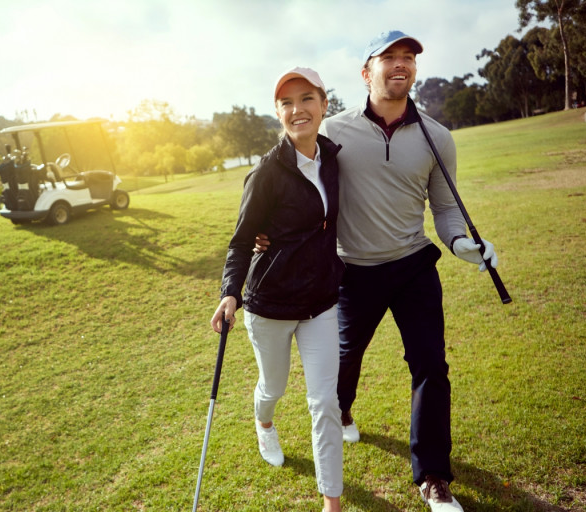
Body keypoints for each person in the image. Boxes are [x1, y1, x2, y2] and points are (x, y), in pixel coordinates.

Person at [255, 31, 500, 511]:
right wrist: (265, 230)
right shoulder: (335, 133)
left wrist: (462, 244)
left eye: (407, 57)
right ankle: (342, 410)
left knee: (431, 365)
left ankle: (433, 477)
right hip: (350, 271)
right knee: (345, 357)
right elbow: (291, 178)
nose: (400, 64)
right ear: (367, 73)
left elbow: (446, 209)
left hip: (413, 265)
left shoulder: (437, 137)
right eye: (388, 57)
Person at [210, 66, 345, 512]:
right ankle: (263, 422)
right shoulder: (265, 173)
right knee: (274, 387)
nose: (297, 109)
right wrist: (231, 290)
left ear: (324, 104)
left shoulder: (333, 157)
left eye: (306, 98)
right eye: (287, 103)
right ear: (278, 113)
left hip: (322, 302)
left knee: (325, 401)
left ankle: (331, 502)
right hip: (270, 306)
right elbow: (241, 240)